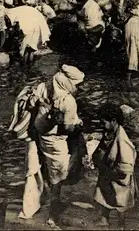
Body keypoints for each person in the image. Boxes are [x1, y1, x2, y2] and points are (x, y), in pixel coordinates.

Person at [19, 65, 86, 226]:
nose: (78, 87)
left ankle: (40, 202)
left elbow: (30, 105)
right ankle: (52, 216)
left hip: (40, 136)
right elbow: (69, 128)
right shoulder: (68, 101)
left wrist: (43, 108)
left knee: (44, 171)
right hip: (57, 142)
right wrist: (79, 125)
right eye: (77, 83)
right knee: (58, 179)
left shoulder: (44, 87)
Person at [92, 103, 138, 228]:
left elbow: (126, 165)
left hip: (119, 174)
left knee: (120, 199)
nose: (102, 125)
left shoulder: (122, 140)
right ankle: (104, 219)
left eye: (103, 122)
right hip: (109, 170)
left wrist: (110, 171)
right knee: (104, 192)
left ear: (114, 121)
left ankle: (121, 225)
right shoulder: (110, 133)